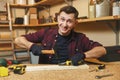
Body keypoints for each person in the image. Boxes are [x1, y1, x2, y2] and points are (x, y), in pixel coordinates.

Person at [14, 6, 106, 65]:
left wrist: (84, 55)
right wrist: (31, 46)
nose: (64, 24)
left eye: (69, 21)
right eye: (62, 19)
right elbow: (18, 40)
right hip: (46, 73)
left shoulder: (80, 38)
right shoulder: (46, 33)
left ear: (75, 23)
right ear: (57, 19)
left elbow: (102, 50)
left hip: (71, 73)